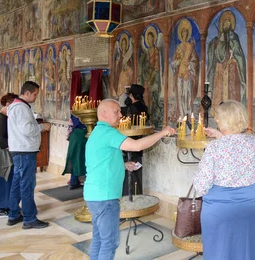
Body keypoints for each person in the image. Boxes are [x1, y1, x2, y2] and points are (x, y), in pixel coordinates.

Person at [84, 99, 175, 260]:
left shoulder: (97, 132)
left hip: (94, 195)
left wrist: (123, 165)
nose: (121, 115)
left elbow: (98, 160)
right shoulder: (108, 133)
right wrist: (162, 132)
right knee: (109, 243)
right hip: (105, 197)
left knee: (100, 239)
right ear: (104, 113)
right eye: (117, 112)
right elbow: (136, 146)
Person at [193, 100, 255, 260]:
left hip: (220, 209)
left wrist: (194, 177)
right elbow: (234, 144)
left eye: (219, 117)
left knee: (219, 252)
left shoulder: (214, 147)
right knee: (243, 251)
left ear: (227, 121)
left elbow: (201, 185)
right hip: (248, 206)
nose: (216, 120)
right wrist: (221, 135)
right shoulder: (252, 142)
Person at [7, 81, 51, 229]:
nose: (35, 97)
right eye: (35, 94)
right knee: (27, 185)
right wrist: (42, 127)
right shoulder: (21, 108)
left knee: (17, 183)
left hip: (20, 150)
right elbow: (27, 129)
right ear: (26, 93)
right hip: (24, 151)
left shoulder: (16, 106)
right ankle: (29, 218)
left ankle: (13, 214)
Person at [207, 10, 247, 117]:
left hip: (231, 69)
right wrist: (218, 43)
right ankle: (220, 117)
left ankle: (233, 117)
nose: (226, 25)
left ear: (231, 25)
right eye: (224, 23)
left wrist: (232, 45)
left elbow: (239, 53)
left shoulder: (234, 37)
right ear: (221, 25)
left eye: (228, 23)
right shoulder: (218, 39)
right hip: (220, 70)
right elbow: (216, 55)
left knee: (231, 94)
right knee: (220, 93)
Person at [122, 84, 149, 196]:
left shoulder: (131, 108)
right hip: (139, 144)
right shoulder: (144, 107)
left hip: (129, 143)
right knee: (137, 173)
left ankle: (129, 196)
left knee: (130, 174)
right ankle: (137, 196)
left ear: (131, 95)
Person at [63, 114, 87, 190]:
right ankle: (85, 181)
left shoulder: (74, 113)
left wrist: (68, 136)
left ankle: (73, 182)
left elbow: (70, 126)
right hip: (85, 135)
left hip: (75, 136)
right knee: (85, 159)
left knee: (74, 159)